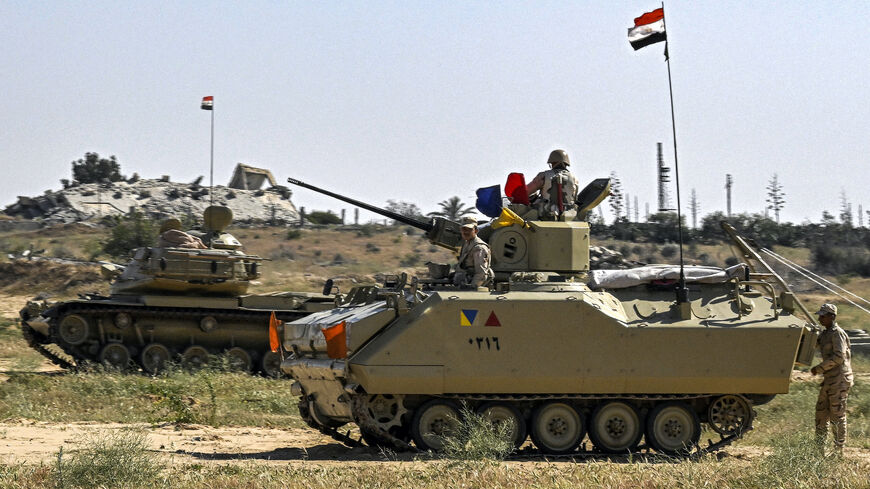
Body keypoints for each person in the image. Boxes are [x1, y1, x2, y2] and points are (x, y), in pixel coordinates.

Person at [810, 303, 853, 456]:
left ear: (832, 317)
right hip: (829, 380)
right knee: (821, 413)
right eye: (819, 315)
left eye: (823, 316)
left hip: (839, 379)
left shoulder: (837, 334)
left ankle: (838, 451)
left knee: (837, 415)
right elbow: (813, 345)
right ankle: (819, 451)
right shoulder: (825, 333)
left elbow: (839, 357)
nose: (820, 318)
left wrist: (819, 368)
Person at [525, 149, 580, 217]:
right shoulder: (574, 179)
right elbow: (574, 198)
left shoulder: (544, 176)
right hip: (568, 216)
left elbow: (526, 192)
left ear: (553, 163)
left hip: (545, 214)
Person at [454, 217, 493, 289]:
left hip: (472, 285)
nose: (465, 232)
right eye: (463, 229)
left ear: (476, 231)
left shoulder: (479, 247)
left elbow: (481, 273)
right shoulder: (467, 243)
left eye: (469, 229)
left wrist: (472, 288)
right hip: (463, 283)